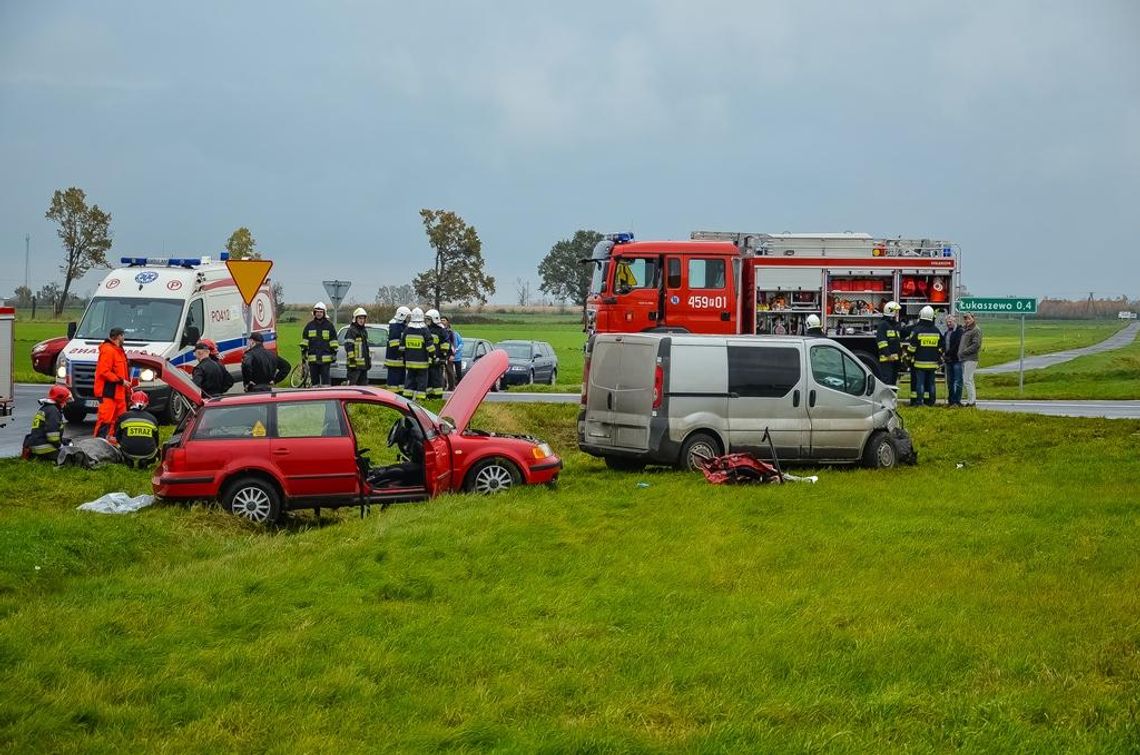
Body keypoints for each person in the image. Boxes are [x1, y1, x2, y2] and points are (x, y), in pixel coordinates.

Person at [93, 326, 131, 439]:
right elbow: (104, 371)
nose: (124, 338)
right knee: (105, 421)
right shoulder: (108, 350)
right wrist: (121, 381)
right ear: (119, 336)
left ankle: (112, 444)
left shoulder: (118, 350)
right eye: (123, 335)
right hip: (108, 392)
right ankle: (98, 445)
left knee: (120, 421)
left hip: (118, 393)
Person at [906, 306, 943, 407]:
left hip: (919, 363)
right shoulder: (936, 331)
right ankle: (931, 402)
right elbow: (941, 347)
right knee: (931, 383)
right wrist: (937, 356)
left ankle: (919, 402)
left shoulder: (917, 330)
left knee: (920, 383)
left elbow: (911, 348)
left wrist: (908, 356)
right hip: (932, 363)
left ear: (921, 316)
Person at [22, 385, 72, 460]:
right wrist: (60, 447)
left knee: (67, 441)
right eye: (65, 401)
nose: (65, 404)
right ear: (59, 400)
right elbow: (52, 436)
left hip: (36, 443)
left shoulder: (47, 408)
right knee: (70, 457)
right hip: (43, 449)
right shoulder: (53, 411)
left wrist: (63, 442)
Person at [114, 391, 160, 468]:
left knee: (115, 444)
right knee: (157, 450)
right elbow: (156, 440)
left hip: (127, 452)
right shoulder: (152, 418)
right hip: (148, 453)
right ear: (147, 403)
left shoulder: (124, 417)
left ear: (131, 402)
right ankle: (146, 461)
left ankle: (127, 460)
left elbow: (117, 436)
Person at [401, 307, 434, 401]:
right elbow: (430, 347)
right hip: (422, 363)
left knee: (409, 381)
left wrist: (404, 358)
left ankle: (406, 401)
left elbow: (402, 347)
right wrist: (434, 356)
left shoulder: (407, 330)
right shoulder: (424, 330)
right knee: (422, 382)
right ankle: (420, 402)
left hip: (409, 363)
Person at [302, 302, 338, 386]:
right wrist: (303, 354)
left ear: (324, 313)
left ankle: (327, 397)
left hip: (325, 360)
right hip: (313, 360)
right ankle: (315, 397)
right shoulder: (309, 326)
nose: (319, 314)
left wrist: (334, 353)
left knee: (326, 383)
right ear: (314, 313)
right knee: (315, 383)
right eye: (317, 312)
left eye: (321, 312)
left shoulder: (329, 326)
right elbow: (304, 342)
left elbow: (333, 341)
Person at [958, 313, 983, 407]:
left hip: (971, 358)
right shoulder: (965, 329)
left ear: (973, 318)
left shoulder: (976, 330)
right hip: (965, 358)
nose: (967, 320)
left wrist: (964, 351)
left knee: (967, 380)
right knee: (969, 379)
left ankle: (971, 402)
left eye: (968, 318)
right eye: (965, 319)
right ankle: (971, 400)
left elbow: (976, 345)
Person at [876, 301, 903, 385]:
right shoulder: (883, 325)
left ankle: (893, 398)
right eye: (895, 311)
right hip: (887, 359)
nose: (896, 313)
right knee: (887, 381)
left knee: (894, 381)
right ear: (891, 311)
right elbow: (882, 342)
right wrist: (888, 354)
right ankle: (886, 398)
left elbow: (901, 334)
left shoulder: (894, 325)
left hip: (895, 359)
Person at [385, 306, 411, 394]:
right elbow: (394, 344)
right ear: (402, 316)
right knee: (393, 382)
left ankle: (399, 397)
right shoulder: (395, 327)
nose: (408, 319)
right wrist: (403, 348)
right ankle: (392, 397)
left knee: (400, 383)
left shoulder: (401, 326)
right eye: (407, 317)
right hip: (394, 359)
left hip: (400, 360)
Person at [344, 307, 372, 386]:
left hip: (363, 366)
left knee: (363, 388)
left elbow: (366, 348)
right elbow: (348, 346)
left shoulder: (364, 331)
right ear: (355, 319)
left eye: (363, 318)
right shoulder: (352, 330)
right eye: (360, 318)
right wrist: (352, 359)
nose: (361, 320)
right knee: (352, 388)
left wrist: (368, 361)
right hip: (354, 366)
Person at [425, 309, 448, 399]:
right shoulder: (425, 330)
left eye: (429, 319)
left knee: (437, 380)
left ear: (434, 319)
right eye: (426, 319)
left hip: (437, 361)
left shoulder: (441, 330)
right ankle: (429, 397)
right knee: (428, 381)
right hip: (427, 361)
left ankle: (437, 397)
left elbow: (445, 344)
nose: (427, 321)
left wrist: (443, 357)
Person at [942, 315, 964, 407]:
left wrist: (948, 353)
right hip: (948, 360)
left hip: (957, 359)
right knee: (950, 381)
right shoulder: (946, 332)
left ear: (955, 321)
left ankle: (957, 401)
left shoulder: (959, 331)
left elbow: (957, 344)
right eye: (947, 321)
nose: (948, 323)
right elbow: (944, 344)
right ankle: (951, 400)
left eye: (950, 321)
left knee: (958, 381)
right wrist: (943, 353)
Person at [442, 316, 463, 387]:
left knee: (451, 371)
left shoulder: (451, 332)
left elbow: (453, 344)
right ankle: (443, 385)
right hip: (442, 355)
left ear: (447, 322)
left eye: (444, 320)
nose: (442, 322)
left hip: (451, 355)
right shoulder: (439, 331)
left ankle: (453, 386)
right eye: (441, 320)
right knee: (442, 372)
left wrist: (453, 354)